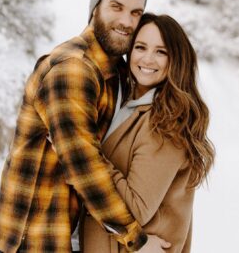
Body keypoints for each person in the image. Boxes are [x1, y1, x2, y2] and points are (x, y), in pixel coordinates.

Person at [0, 0, 150, 253]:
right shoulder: (73, 69)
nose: (126, 21)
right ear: (95, 8)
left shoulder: (115, 72)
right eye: (116, 6)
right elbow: (84, 164)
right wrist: (135, 240)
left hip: (67, 234)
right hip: (34, 238)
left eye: (136, 13)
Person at [82, 13, 215, 253]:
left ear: (176, 59)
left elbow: (137, 209)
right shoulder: (132, 104)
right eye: (140, 47)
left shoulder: (166, 123)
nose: (147, 59)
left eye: (161, 52)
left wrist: (86, 153)